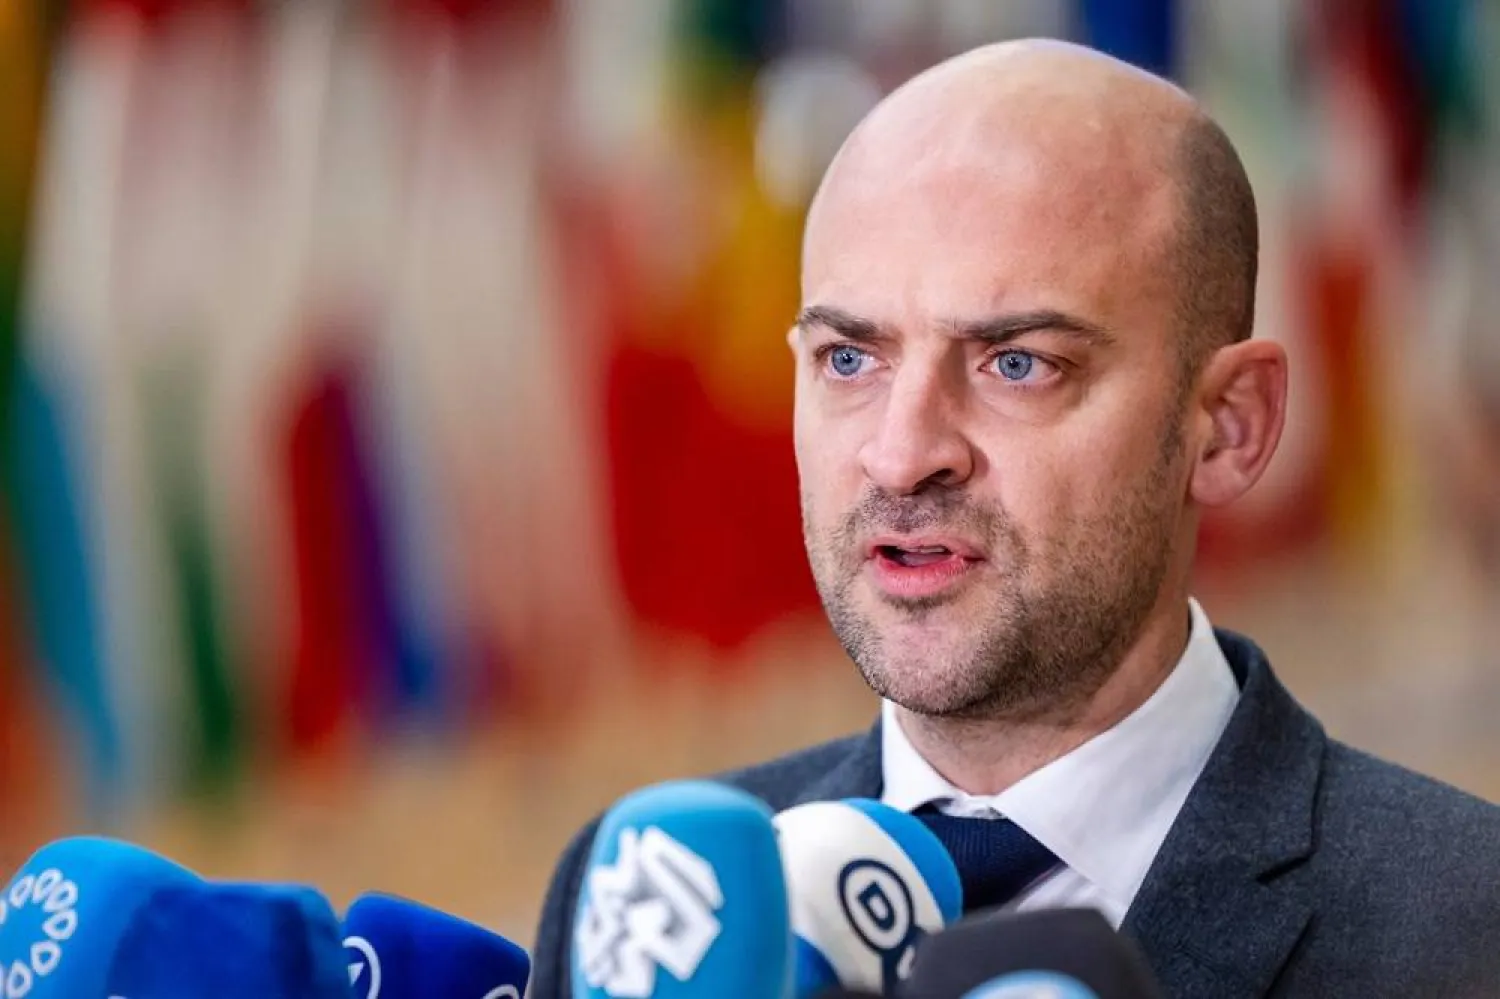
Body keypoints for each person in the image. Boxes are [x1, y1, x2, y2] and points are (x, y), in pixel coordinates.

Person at [530, 39, 1500, 998]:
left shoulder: (1465, 921)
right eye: (849, 360)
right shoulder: (644, 902)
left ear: (1229, 427)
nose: (904, 454)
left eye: (1017, 363)